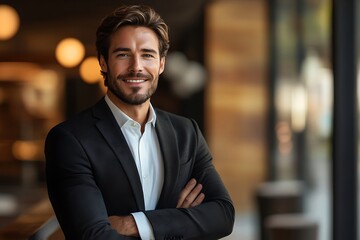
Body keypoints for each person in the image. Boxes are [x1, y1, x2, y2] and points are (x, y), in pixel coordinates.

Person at [45, 4, 234, 240]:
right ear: (103, 62)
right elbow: (93, 235)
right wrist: (176, 221)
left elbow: (223, 216)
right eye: (123, 54)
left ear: (161, 64)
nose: (136, 67)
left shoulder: (186, 132)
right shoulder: (70, 140)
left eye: (147, 55)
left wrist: (133, 223)